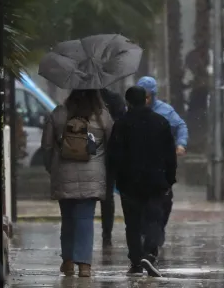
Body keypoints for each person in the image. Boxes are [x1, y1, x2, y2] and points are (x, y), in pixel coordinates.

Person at [41, 90, 113, 277]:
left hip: (63, 174)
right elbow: (112, 144)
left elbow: (47, 146)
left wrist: (52, 168)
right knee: (85, 219)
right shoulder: (102, 115)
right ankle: (84, 265)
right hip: (92, 175)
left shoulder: (59, 113)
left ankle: (68, 261)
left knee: (68, 219)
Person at [107, 86, 177, 277]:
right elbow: (170, 155)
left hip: (129, 182)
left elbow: (113, 155)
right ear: (146, 100)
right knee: (154, 219)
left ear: (128, 102)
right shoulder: (160, 122)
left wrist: (115, 178)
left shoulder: (121, 124)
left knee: (133, 223)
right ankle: (150, 252)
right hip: (156, 181)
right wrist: (169, 179)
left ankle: (136, 260)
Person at [136, 76, 188, 245]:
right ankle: (147, 232)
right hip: (139, 167)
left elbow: (181, 126)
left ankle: (157, 230)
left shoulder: (165, 111)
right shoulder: (131, 112)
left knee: (164, 201)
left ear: (153, 95)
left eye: (148, 96)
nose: (145, 99)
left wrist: (181, 144)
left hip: (161, 167)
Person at [99, 88, 127, 247]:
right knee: (107, 196)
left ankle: (106, 232)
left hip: (105, 154)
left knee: (106, 195)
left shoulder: (82, 99)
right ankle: (106, 233)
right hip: (110, 153)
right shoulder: (114, 98)